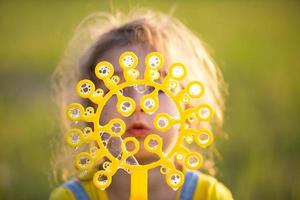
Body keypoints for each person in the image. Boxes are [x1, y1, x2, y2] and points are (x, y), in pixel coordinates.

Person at [50, 8, 233, 200]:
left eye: (158, 89)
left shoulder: (210, 196)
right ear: (91, 111)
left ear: (187, 110)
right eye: (118, 89)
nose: (138, 104)